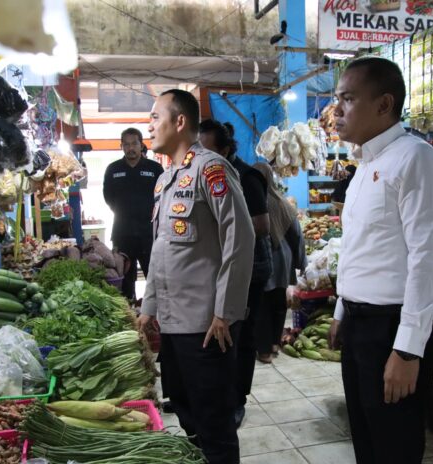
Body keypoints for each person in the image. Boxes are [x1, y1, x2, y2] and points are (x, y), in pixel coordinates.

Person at [327, 57, 433, 464]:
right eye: (336, 99)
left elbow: (427, 259)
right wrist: (342, 311)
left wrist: (408, 350)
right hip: (360, 326)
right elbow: (359, 247)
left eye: (347, 99)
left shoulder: (416, 159)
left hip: (392, 330)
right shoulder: (365, 166)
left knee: (394, 445)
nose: (337, 110)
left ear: (384, 105)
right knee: (365, 440)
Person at [137, 89, 254, 464]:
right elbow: (160, 249)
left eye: (156, 117)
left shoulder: (211, 169)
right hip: (172, 325)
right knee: (186, 413)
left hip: (206, 325)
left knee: (215, 424)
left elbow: (240, 238)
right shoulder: (165, 179)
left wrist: (225, 311)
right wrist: (148, 306)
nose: (150, 125)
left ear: (180, 122)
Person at [198, 119, 271, 427]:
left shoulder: (245, 177)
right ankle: (213, 395)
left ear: (225, 150)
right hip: (225, 266)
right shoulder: (204, 174)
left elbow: (262, 226)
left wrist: (223, 229)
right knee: (221, 333)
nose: (199, 157)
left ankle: (237, 400)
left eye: (207, 150)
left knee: (240, 335)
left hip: (251, 268)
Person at [253, 162, 306, 363]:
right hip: (283, 260)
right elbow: (297, 235)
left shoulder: (252, 202)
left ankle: (265, 351)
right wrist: (300, 262)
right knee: (278, 304)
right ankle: (275, 344)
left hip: (262, 258)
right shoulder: (282, 202)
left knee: (263, 305)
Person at [103, 128, 164, 301]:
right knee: (125, 283)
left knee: (155, 280)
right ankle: (130, 315)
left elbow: (164, 197)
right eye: (126, 144)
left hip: (149, 234)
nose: (130, 148)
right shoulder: (113, 169)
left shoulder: (155, 169)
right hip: (122, 234)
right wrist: (125, 212)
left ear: (141, 145)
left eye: (134, 144)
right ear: (121, 146)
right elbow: (108, 198)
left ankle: (156, 318)